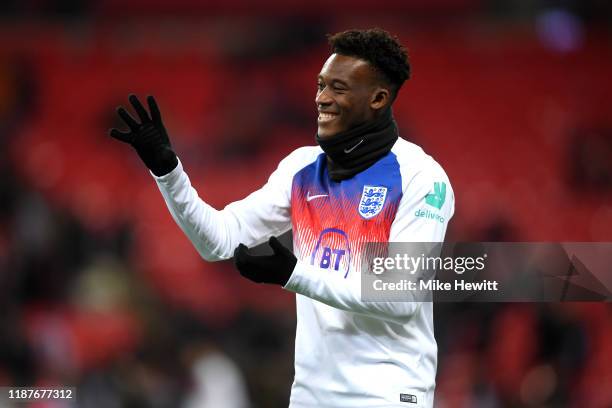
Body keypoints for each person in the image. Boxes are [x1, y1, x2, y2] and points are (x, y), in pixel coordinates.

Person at [110, 28, 454, 408]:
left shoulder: (421, 177)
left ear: (377, 98)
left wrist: (293, 274)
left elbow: (399, 294)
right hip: (311, 397)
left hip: (388, 395)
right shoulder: (302, 169)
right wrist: (169, 172)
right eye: (321, 85)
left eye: (338, 88)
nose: (322, 98)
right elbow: (218, 240)